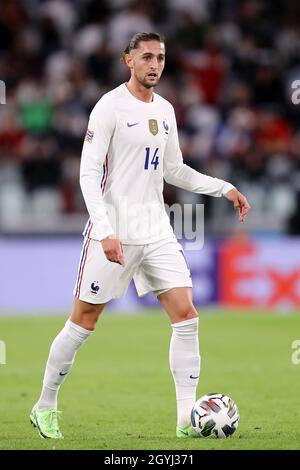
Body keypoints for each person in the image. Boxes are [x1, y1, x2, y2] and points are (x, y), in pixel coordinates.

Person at [30, 32, 250, 439]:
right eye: (146, 57)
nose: (155, 64)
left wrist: (224, 187)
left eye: (161, 58)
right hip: (112, 232)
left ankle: (186, 419)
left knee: (186, 315)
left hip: (156, 230)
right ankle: (45, 404)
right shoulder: (109, 107)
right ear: (127, 60)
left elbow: (174, 170)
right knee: (84, 321)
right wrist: (105, 229)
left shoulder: (165, 110)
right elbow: (88, 173)